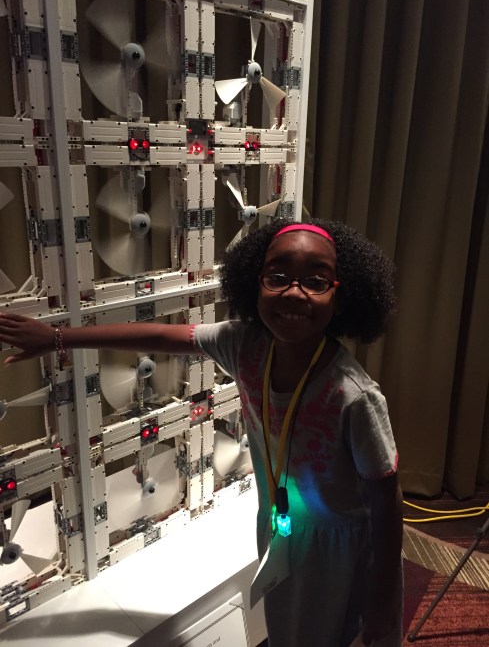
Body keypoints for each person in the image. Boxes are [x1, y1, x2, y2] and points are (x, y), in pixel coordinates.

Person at [0, 219, 403, 647]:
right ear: (255, 283)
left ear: (341, 296)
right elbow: (162, 335)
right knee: (290, 629)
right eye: (278, 276)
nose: (293, 292)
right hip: (282, 527)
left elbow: (386, 500)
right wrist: (57, 338)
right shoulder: (245, 344)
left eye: (316, 281)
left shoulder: (355, 396)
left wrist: (382, 596)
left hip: (341, 550)